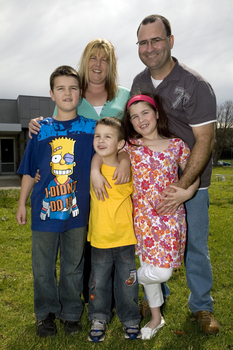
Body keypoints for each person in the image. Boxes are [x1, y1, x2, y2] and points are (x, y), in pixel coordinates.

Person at [130, 14, 219, 335]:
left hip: (192, 181)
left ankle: (202, 306)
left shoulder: (195, 84)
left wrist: (182, 189)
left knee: (194, 245)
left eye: (156, 40)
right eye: (143, 42)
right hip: (151, 185)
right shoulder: (139, 83)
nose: (150, 47)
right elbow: (131, 129)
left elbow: (205, 140)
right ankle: (155, 300)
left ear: (170, 41)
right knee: (148, 245)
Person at [28, 38, 131, 302]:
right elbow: (52, 136)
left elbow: (130, 139)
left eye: (104, 58)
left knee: (118, 242)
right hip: (76, 188)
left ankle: (125, 298)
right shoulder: (73, 94)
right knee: (83, 247)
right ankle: (89, 298)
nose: (98, 64)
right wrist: (35, 127)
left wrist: (126, 160)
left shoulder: (124, 95)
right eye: (93, 58)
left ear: (112, 64)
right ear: (85, 62)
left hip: (116, 183)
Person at [16, 65, 97, 337]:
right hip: (44, 212)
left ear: (81, 93)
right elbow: (30, 170)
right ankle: (46, 314)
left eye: (73, 88)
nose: (67, 93)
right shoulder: (40, 129)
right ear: (51, 94)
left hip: (77, 213)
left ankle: (71, 314)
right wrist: (21, 203)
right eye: (61, 88)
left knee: (73, 267)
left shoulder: (91, 129)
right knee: (42, 269)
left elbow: (114, 147)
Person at [87, 117, 141, 342]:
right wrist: (94, 171)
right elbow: (97, 156)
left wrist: (125, 159)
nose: (100, 140)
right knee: (98, 283)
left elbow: (125, 154)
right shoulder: (93, 171)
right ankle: (98, 317)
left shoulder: (128, 168)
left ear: (120, 144)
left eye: (107, 136)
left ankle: (130, 320)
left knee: (128, 283)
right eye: (97, 136)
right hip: (100, 239)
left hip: (125, 238)